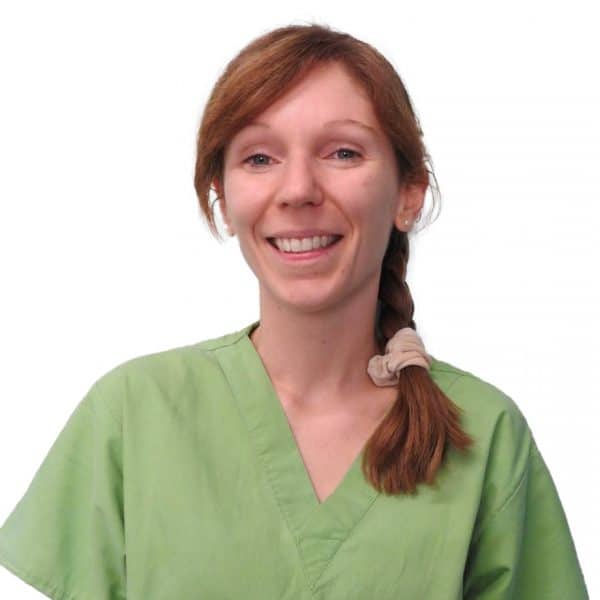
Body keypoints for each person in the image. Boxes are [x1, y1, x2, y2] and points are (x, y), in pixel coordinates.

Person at [0, 23, 589, 600]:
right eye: (260, 158)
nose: (298, 189)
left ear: (408, 193)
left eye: (343, 152)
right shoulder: (135, 413)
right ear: (223, 199)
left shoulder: (484, 434)